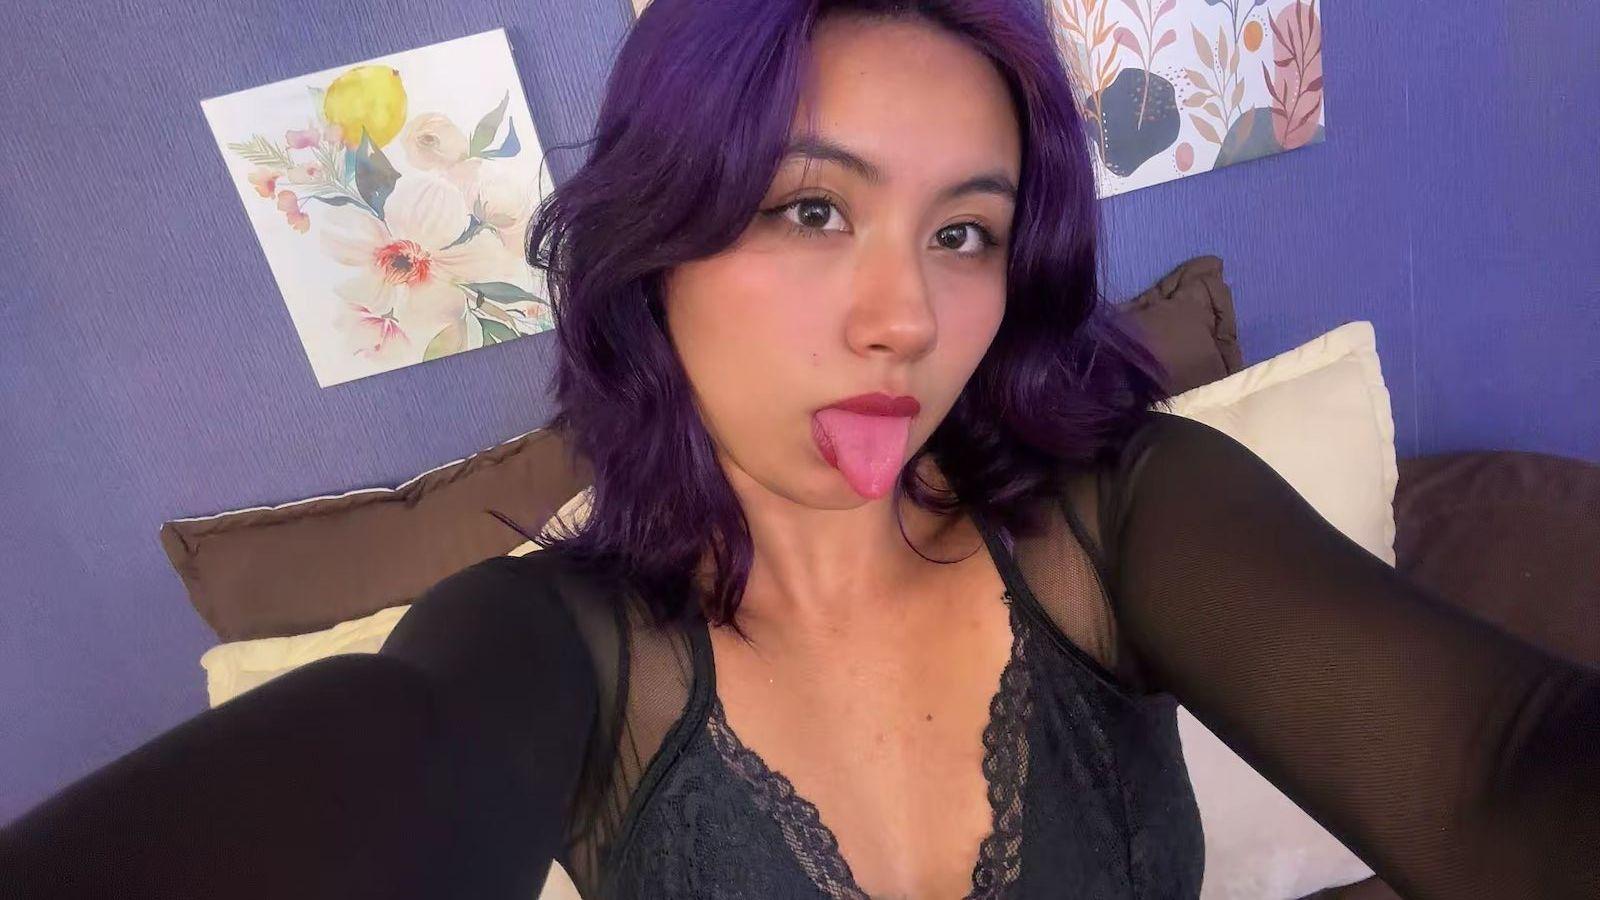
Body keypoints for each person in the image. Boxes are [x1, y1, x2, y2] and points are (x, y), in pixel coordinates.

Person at [4, 1, 1597, 898]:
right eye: (811, 209)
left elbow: (1498, 766)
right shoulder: (547, 648)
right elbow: (387, 767)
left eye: (966, 233)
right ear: (659, 246)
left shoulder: (1129, 514)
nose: (907, 316)